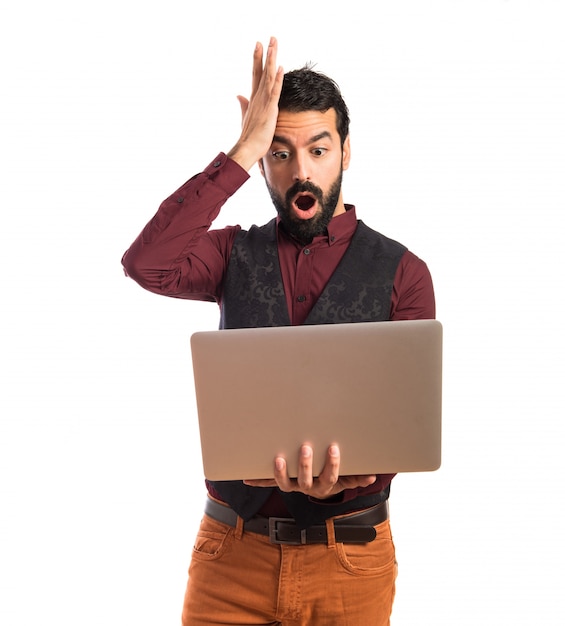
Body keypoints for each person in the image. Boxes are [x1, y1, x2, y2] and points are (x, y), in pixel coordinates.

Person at [122, 37, 435, 626]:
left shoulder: (405, 275)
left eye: (318, 150)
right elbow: (148, 264)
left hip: (351, 562)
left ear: (346, 151)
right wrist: (240, 151)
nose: (302, 172)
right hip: (230, 558)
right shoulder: (231, 252)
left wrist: (344, 483)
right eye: (280, 153)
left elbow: (406, 427)